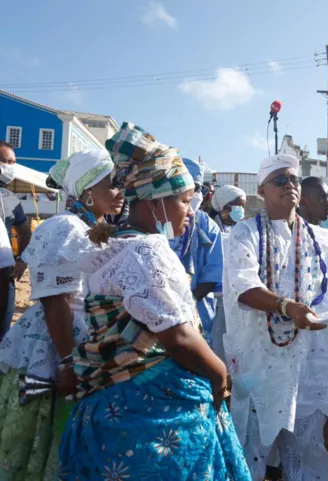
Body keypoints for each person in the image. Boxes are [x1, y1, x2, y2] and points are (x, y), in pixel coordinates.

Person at [59, 122, 251, 480]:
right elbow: (177, 337)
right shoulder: (146, 252)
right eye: (184, 200)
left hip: (110, 397)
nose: (191, 210)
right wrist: (219, 374)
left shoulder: (116, 246)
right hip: (149, 405)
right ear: (153, 202)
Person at [223, 153, 328, 481]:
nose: (290, 186)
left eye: (294, 180)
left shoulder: (323, 239)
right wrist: (288, 308)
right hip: (262, 354)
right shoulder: (244, 234)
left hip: (309, 355)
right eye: (280, 180)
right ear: (262, 191)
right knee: (253, 443)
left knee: (308, 443)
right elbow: (243, 287)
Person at [0, 150, 120, 480]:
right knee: (40, 432)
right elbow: (56, 302)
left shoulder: (96, 228)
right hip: (54, 346)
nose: (120, 191)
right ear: (86, 192)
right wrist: (67, 363)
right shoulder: (65, 228)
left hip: (79, 344)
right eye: (111, 184)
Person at [169, 158, 224, 346]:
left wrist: (188, 303)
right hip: (159, 310)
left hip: (197, 311)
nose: (196, 194)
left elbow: (213, 272)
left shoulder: (208, 226)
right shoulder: (159, 220)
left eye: (200, 189)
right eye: (191, 188)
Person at [0, 141, 30, 340]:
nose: (10, 166)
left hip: (3, 275)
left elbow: (25, 232)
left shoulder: (10, 198)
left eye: (13, 162)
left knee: (2, 332)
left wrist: (22, 259)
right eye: (5, 161)